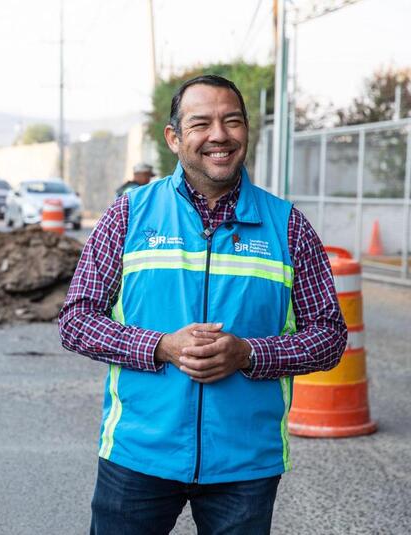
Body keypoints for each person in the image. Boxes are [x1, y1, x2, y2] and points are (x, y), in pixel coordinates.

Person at [59, 75, 347, 535]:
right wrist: (161, 346)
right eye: (201, 123)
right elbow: (76, 320)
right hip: (139, 453)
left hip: (245, 463)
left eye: (232, 121)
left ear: (246, 132)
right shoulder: (129, 215)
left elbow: (329, 336)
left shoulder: (288, 226)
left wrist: (249, 354)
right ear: (174, 138)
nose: (219, 135)